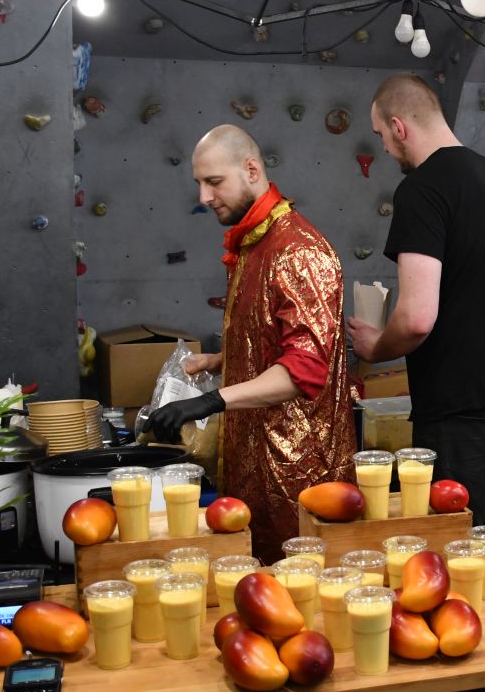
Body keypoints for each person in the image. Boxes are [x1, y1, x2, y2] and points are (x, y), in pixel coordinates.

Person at [141, 125, 355, 560]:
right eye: (199, 183)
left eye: (214, 181)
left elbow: (303, 371)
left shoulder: (298, 251)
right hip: (252, 461)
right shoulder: (256, 242)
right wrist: (223, 359)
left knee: (296, 584)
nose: (204, 196)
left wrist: (208, 402)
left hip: (297, 472)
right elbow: (273, 338)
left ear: (252, 170)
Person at [347, 74, 485, 539]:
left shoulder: (422, 189)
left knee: (450, 547)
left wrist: (376, 347)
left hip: (465, 404)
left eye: (381, 135)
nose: (384, 148)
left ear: (399, 126)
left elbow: (417, 318)